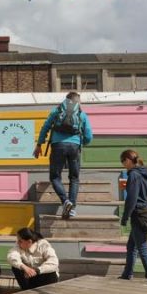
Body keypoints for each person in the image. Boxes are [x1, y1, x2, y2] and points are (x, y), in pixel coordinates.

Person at [35, 91, 93, 219]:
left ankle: (65, 201)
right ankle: (72, 208)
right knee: (74, 178)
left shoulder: (56, 112)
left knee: (55, 177)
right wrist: (82, 142)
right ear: (78, 101)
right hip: (74, 147)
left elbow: (45, 127)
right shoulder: (81, 114)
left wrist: (39, 145)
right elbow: (89, 135)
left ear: (66, 100)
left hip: (58, 146)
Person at [118, 149, 147, 282]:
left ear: (128, 160)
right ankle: (127, 273)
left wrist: (125, 217)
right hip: (146, 211)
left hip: (138, 214)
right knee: (131, 246)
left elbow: (132, 199)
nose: (123, 165)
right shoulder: (144, 173)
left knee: (142, 247)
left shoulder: (134, 175)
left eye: (123, 162)